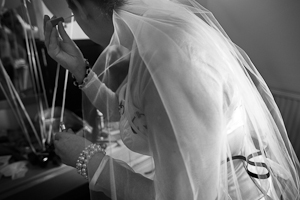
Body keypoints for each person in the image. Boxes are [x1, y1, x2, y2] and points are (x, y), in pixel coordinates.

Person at [44, 0, 300, 199]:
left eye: (72, 10)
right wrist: (82, 71)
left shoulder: (169, 64)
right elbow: (131, 116)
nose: (74, 19)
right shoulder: (153, 39)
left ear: (87, 9)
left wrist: (87, 158)